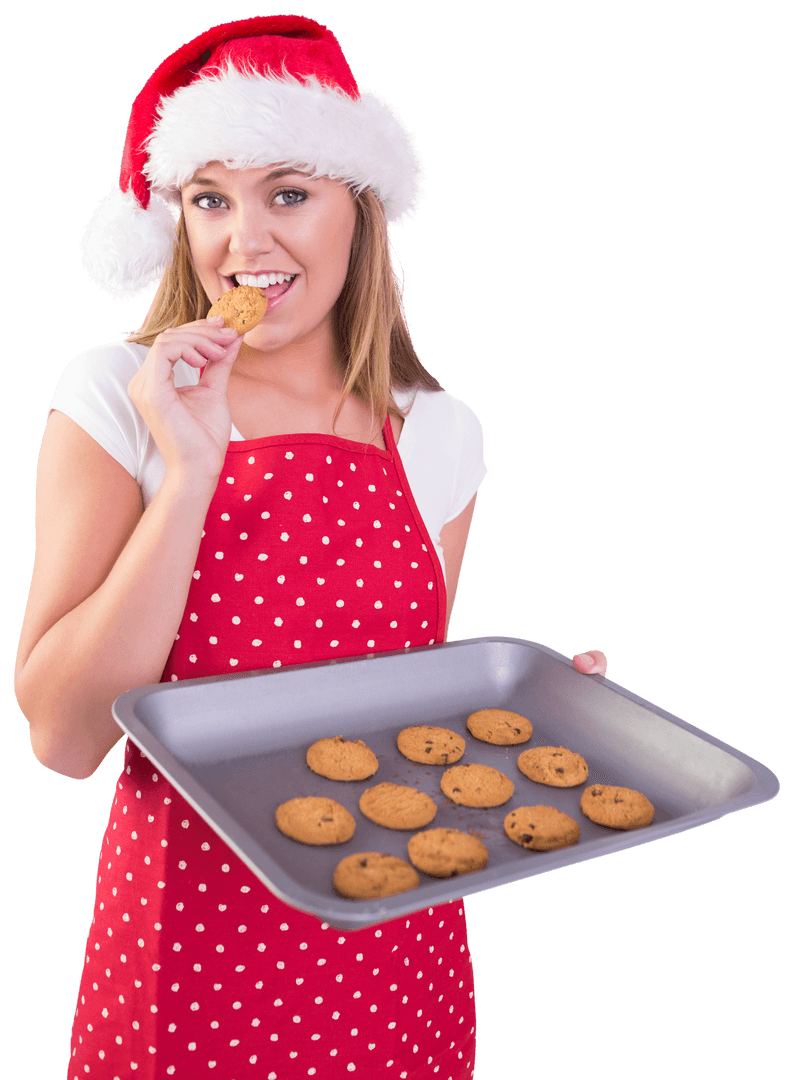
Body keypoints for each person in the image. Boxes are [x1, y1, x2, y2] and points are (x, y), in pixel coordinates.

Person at [14, 15, 607, 1079]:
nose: (243, 243)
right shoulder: (116, 394)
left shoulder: (438, 430)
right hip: (183, 959)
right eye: (208, 198)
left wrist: (543, 719)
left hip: (397, 964)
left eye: (288, 193)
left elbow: (395, 726)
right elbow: (62, 738)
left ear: (359, 209)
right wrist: (188, 471)